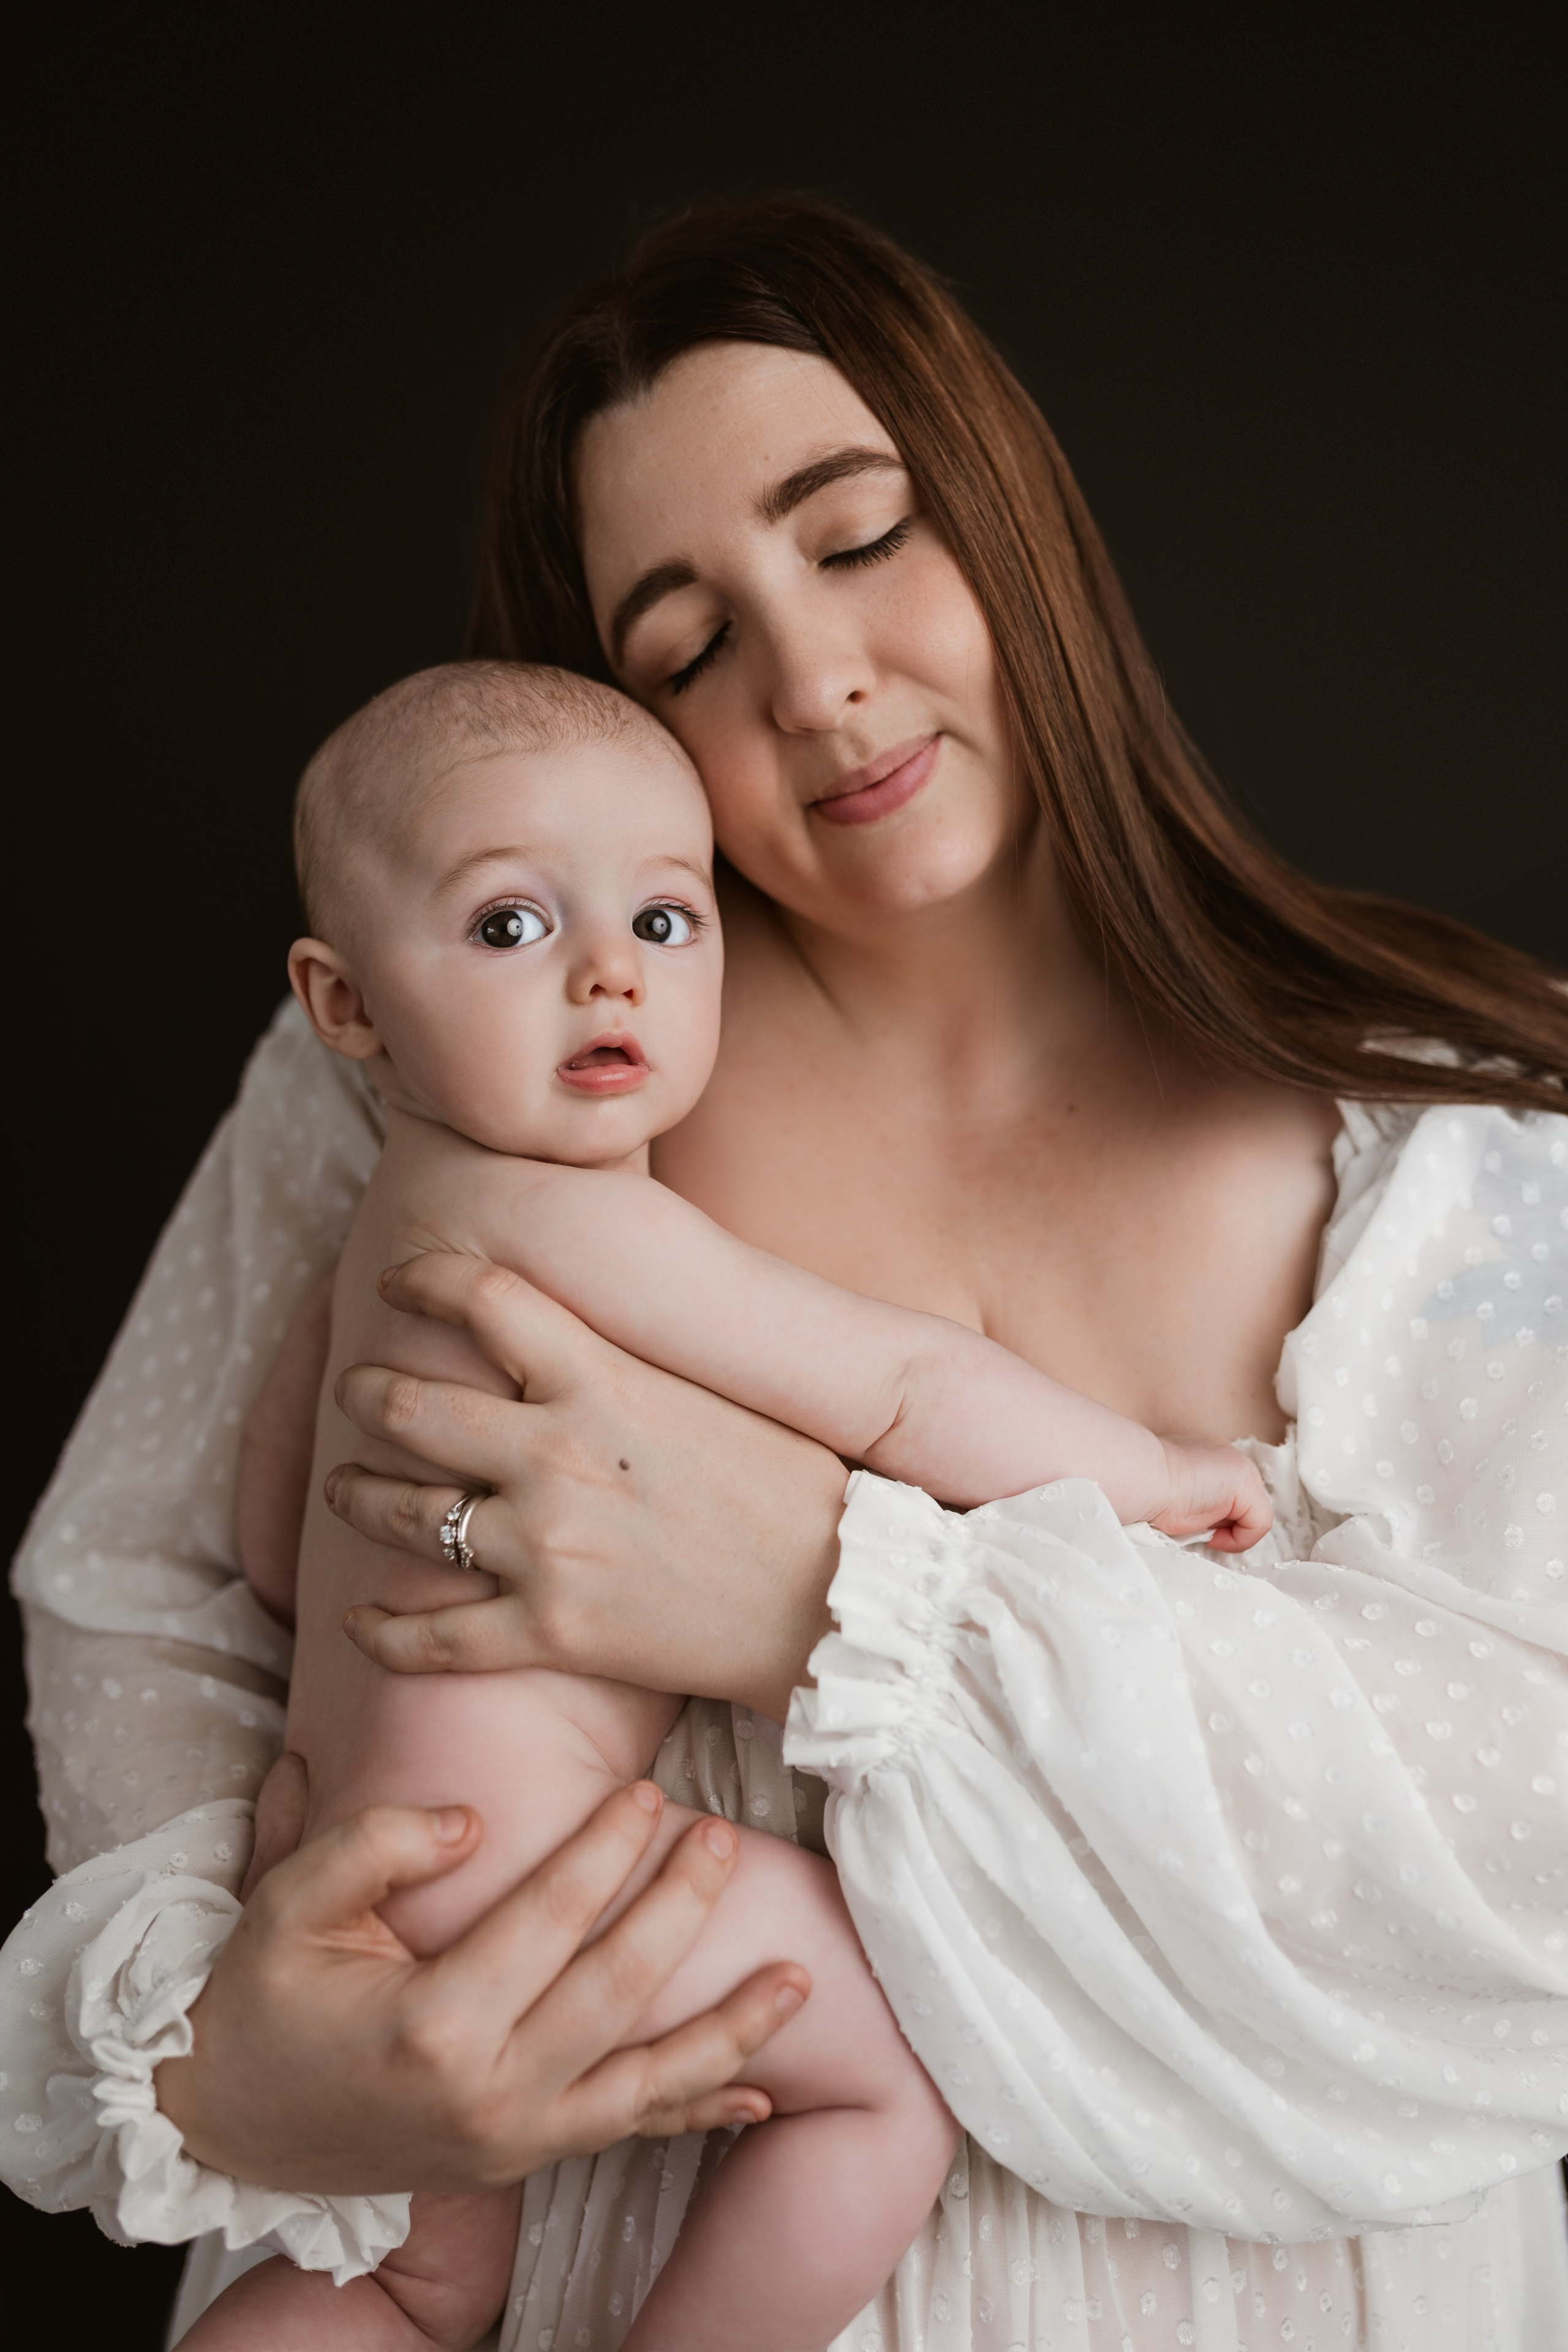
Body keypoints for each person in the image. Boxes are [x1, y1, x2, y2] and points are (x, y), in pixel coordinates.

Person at [4, 197, 1565, 2352]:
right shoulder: (480, 1069)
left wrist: (823, 1589)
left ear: (1015, 520)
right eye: (682, 643)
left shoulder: (1467, 1150)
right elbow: (159, 1577)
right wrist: (223, 2047)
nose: (814, 682)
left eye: (857, 538)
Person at [194, 653, 1270, 2348]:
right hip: (529, 1879)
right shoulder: (576, 1219)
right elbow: (904, 1388)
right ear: (343, 1006)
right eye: (509, 928)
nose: (608, 971)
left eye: (667, 921)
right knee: (889, 2093)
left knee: (406, 2286)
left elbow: (266, 1533)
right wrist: (1151, 1476)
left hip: (338, 1861)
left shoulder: (378, 1225)